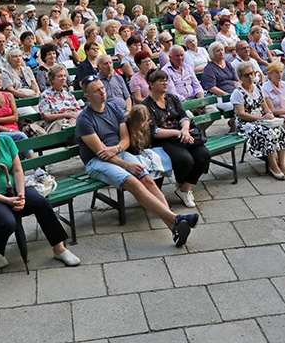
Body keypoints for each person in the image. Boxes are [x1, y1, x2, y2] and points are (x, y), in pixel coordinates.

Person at [76, 77, 198, 246]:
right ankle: (176, 218)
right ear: (87, 96)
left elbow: (126, 139)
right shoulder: (84, 120)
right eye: (96, 91)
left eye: (102, 88)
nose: (102, 92)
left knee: (148, 180)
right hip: (97, 162)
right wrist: (126, 164)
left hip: (118, 153)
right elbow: (100, 152)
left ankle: (175, 228)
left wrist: (117, 149)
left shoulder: (113, 108)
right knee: (133, 182)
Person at [0, 109, 79, 269]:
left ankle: (59, 248)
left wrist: (22, 194)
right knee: (8, 221)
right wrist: (8, 200)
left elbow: (17, 170)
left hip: (11, 189)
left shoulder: (5, 142)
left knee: (41, 202)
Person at [143, 70, 211, 207]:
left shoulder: (172, 98)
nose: (165, 83)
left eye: (166, 80)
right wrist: (178, 133)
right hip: (164, 140)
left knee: (204, 155)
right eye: (160, 80)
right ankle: (181, 183)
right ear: (151, 84)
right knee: (185, 159)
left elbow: (183, 117)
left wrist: (185, 130)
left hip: (182, 134)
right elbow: (154, 131)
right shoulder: (146, 105)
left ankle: (186, 188)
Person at [232, 62, 285, 179]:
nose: (250, 77)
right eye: (246, 75)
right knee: (268, 132)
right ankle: (273, 166)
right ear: (240, 78)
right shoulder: (238, 92)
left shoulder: (258, 88)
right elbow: (241, 114)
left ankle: (283, 164)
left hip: (262, 121)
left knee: (280, 130)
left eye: (252, 74)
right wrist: (261, 118)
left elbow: (264, 106)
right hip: (246, 124)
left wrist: (269, 113)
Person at [38, 64, 84, 133]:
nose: (63, 78)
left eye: (64, 76)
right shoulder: (45, 95)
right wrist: (67, 115)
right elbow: (47, 116)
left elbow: (79, 110)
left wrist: (73, 117)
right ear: (52, 79)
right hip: (56, 124)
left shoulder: (69, 94)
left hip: (72, 121)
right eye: (60, 76)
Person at [201, 41, 239, 112]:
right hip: (219, 97)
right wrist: (227, 95)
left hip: (233, 94)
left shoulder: (228, 64)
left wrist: (240, 90)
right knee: (235, 107)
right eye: (218, 51)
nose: (221, 52)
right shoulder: (209, 68)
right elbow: (211, 88)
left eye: (222, 50)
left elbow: (236, 81)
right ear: (212, 54)